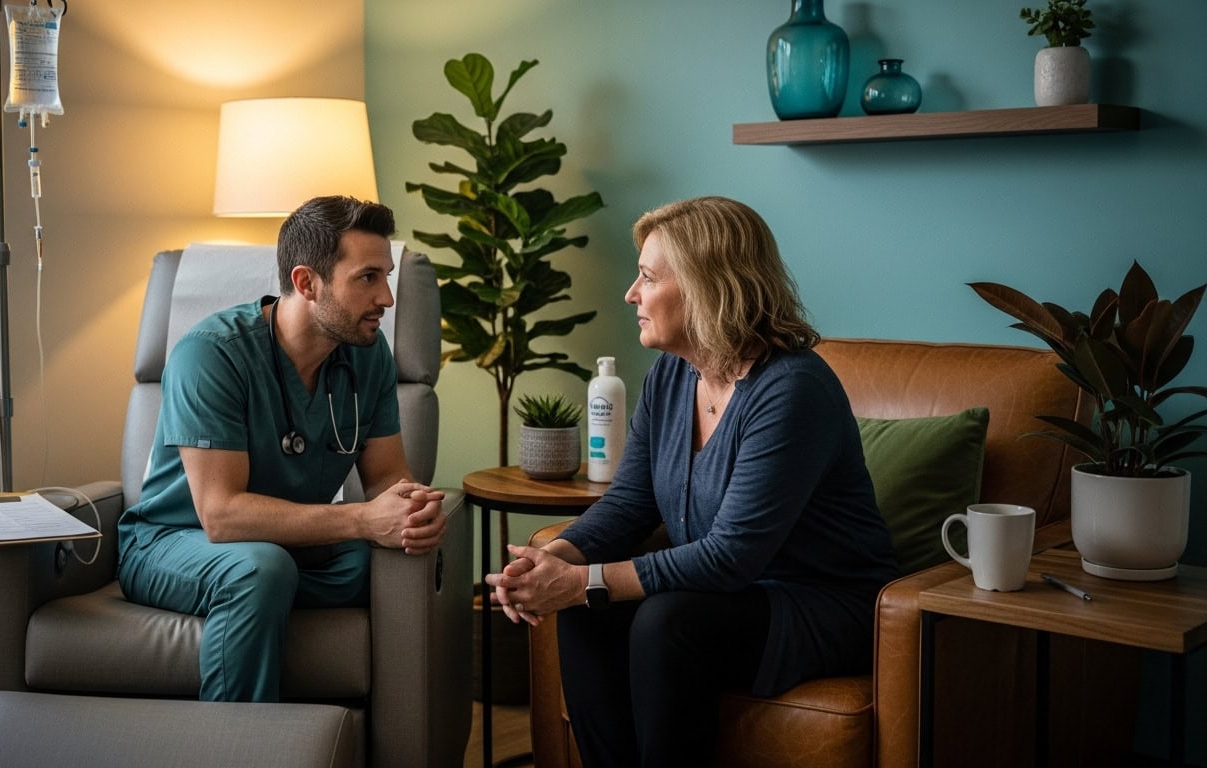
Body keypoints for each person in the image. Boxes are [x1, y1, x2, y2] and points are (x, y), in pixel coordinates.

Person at [486, 196, 898, 767]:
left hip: (821, 602)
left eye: (648, 277)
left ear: (710, 287)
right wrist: (553, 560)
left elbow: (732, 555)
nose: (631, 294)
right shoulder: (672, 376)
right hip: (729, 597)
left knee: (666, 622)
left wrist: (585, 580)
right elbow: (631, 503)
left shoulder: (792, 390)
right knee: (585, 610)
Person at [118, 195, 448, 703]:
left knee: (371, 564)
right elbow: (222, 516)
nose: (387, 298)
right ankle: (238, 749)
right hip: (174, 541)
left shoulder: (368, 352)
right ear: (305, 282)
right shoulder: (212, 355)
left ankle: (263, 604)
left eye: (387, 276)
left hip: (292, 549)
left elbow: (386, 475)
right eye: (368, 278)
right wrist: (362, 520)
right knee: (260, 570)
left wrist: (410, 511)